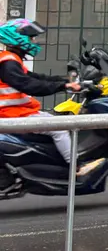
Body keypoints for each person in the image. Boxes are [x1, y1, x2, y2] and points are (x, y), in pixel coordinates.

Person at [0, 19, 99, 181]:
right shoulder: (8, 64)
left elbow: (37, 77)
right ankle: (76, 167)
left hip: (18, 113)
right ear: (18, 38)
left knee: (53, 121)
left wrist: (66, 83)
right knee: (59, 128)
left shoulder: (10, 60)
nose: (34, 41)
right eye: (31, 38)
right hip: (12, 116)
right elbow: (30, 85)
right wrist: (62, 87)